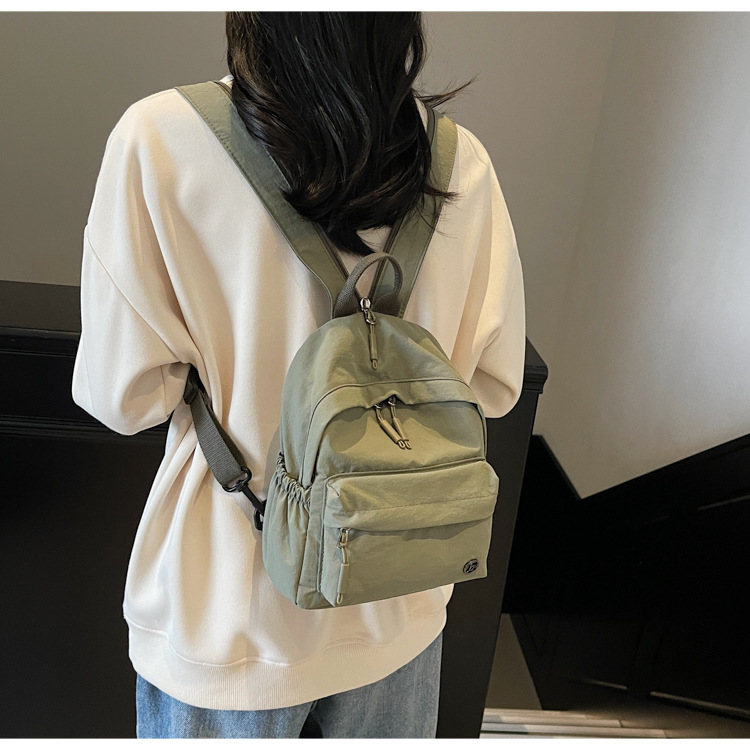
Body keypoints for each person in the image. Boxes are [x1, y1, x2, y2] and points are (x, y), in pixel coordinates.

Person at [72, 11, 525, 739]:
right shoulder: (459, 161)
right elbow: (495, 387)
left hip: (229, 613)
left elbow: (126, 399)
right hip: (397, 605)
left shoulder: (157, 140)